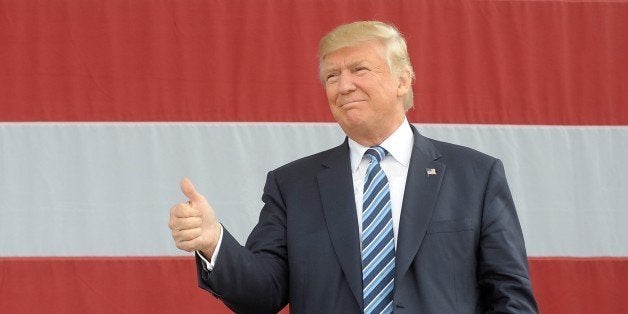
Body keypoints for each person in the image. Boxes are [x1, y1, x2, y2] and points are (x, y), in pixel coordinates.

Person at [168, 21, 538, 313]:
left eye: (359, 69)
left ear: (402, 80)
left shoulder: (475, 176)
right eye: (332, 76)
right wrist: (214, 241)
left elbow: (510, 297)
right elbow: (261, 295)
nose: (343, 86)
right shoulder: (292, 185)